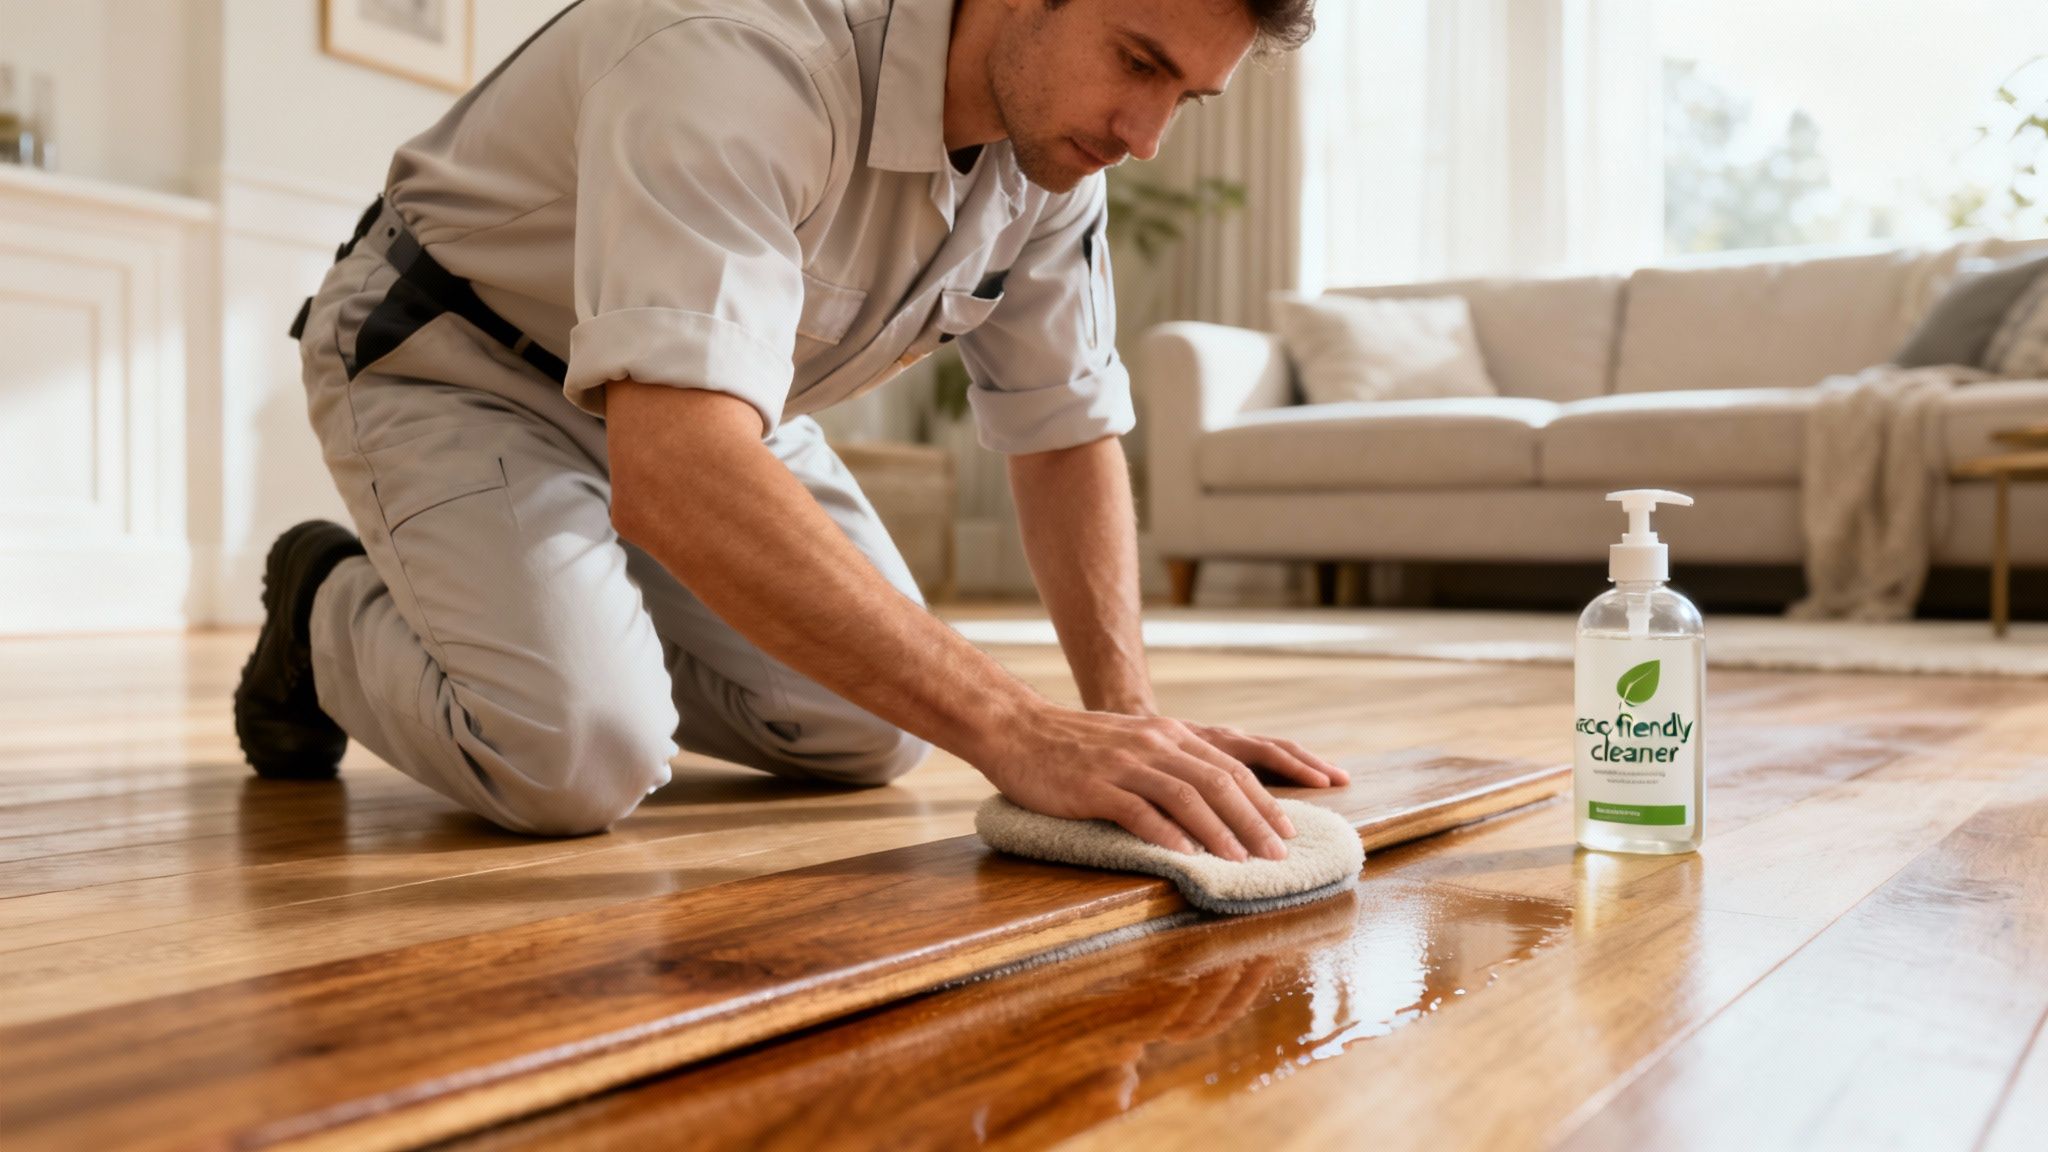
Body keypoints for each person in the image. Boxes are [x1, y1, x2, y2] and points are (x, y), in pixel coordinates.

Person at [234, 0, 1344, 862]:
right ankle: (321, 597)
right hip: (458, 355)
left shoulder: (1052, 152)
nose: (1142, 136)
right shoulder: (743, 47)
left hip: (714, 418)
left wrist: (1128, 725)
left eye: (1184, 97)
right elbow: (677, 471)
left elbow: (1062, 429)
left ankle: (552, 612)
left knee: (870, 731)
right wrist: (1017, 728)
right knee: (574, 755)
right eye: (1138, 62)